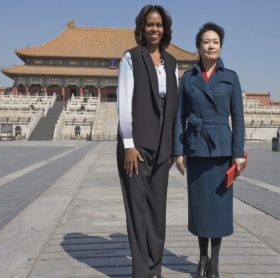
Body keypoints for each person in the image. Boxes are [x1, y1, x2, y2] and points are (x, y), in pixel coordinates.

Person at [173, 22, 246, 278]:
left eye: (215, 42)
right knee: (201, 208)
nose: (211, 46)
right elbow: (179, 116)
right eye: (206, 41)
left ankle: (214, 262)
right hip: (195, 150)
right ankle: (201, 260)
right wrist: (178, 151)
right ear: (198, 46)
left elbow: (237, 118)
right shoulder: (188, 78)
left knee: (219, 210)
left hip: (222, 152)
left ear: (220, 46)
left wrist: (238, 152)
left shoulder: (231, 77)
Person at [116, 5, 178, 278]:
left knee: (157, 212)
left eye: (159, 25)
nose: (155, 29)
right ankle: (141, 272)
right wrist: (128, 144)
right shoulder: (131, 58)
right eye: (150, 24)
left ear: (165, 29)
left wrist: (175, 148)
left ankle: (155, 269)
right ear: (142, 27)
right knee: (137, 211)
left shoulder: (172, 63)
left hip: (162, 146)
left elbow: (173, 107)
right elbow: (124, 102)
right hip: (137, 146)